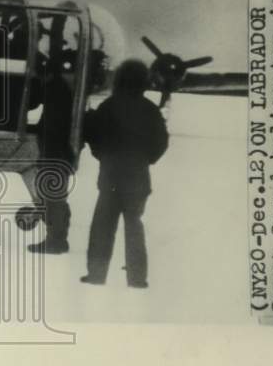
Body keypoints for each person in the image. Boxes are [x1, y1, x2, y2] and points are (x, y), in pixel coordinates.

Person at [81, 59, 168, 287]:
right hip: (138, 177)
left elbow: (93, 134)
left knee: (102, 226)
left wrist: (103, 155)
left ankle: (96, 275)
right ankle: (137, 278)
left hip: (111, 176)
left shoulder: (109, 105)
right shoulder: (150, 109)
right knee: (134, 227)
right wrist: (146, 159)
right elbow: (161, 142)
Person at [26, 64, 76, 255]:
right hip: (59, 154)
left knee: (53, 198)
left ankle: (56, 241)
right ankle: (59, 238)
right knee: (56, 197)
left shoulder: (55, 93)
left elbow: (51, 127)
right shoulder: (60, 91)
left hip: (54, 154)